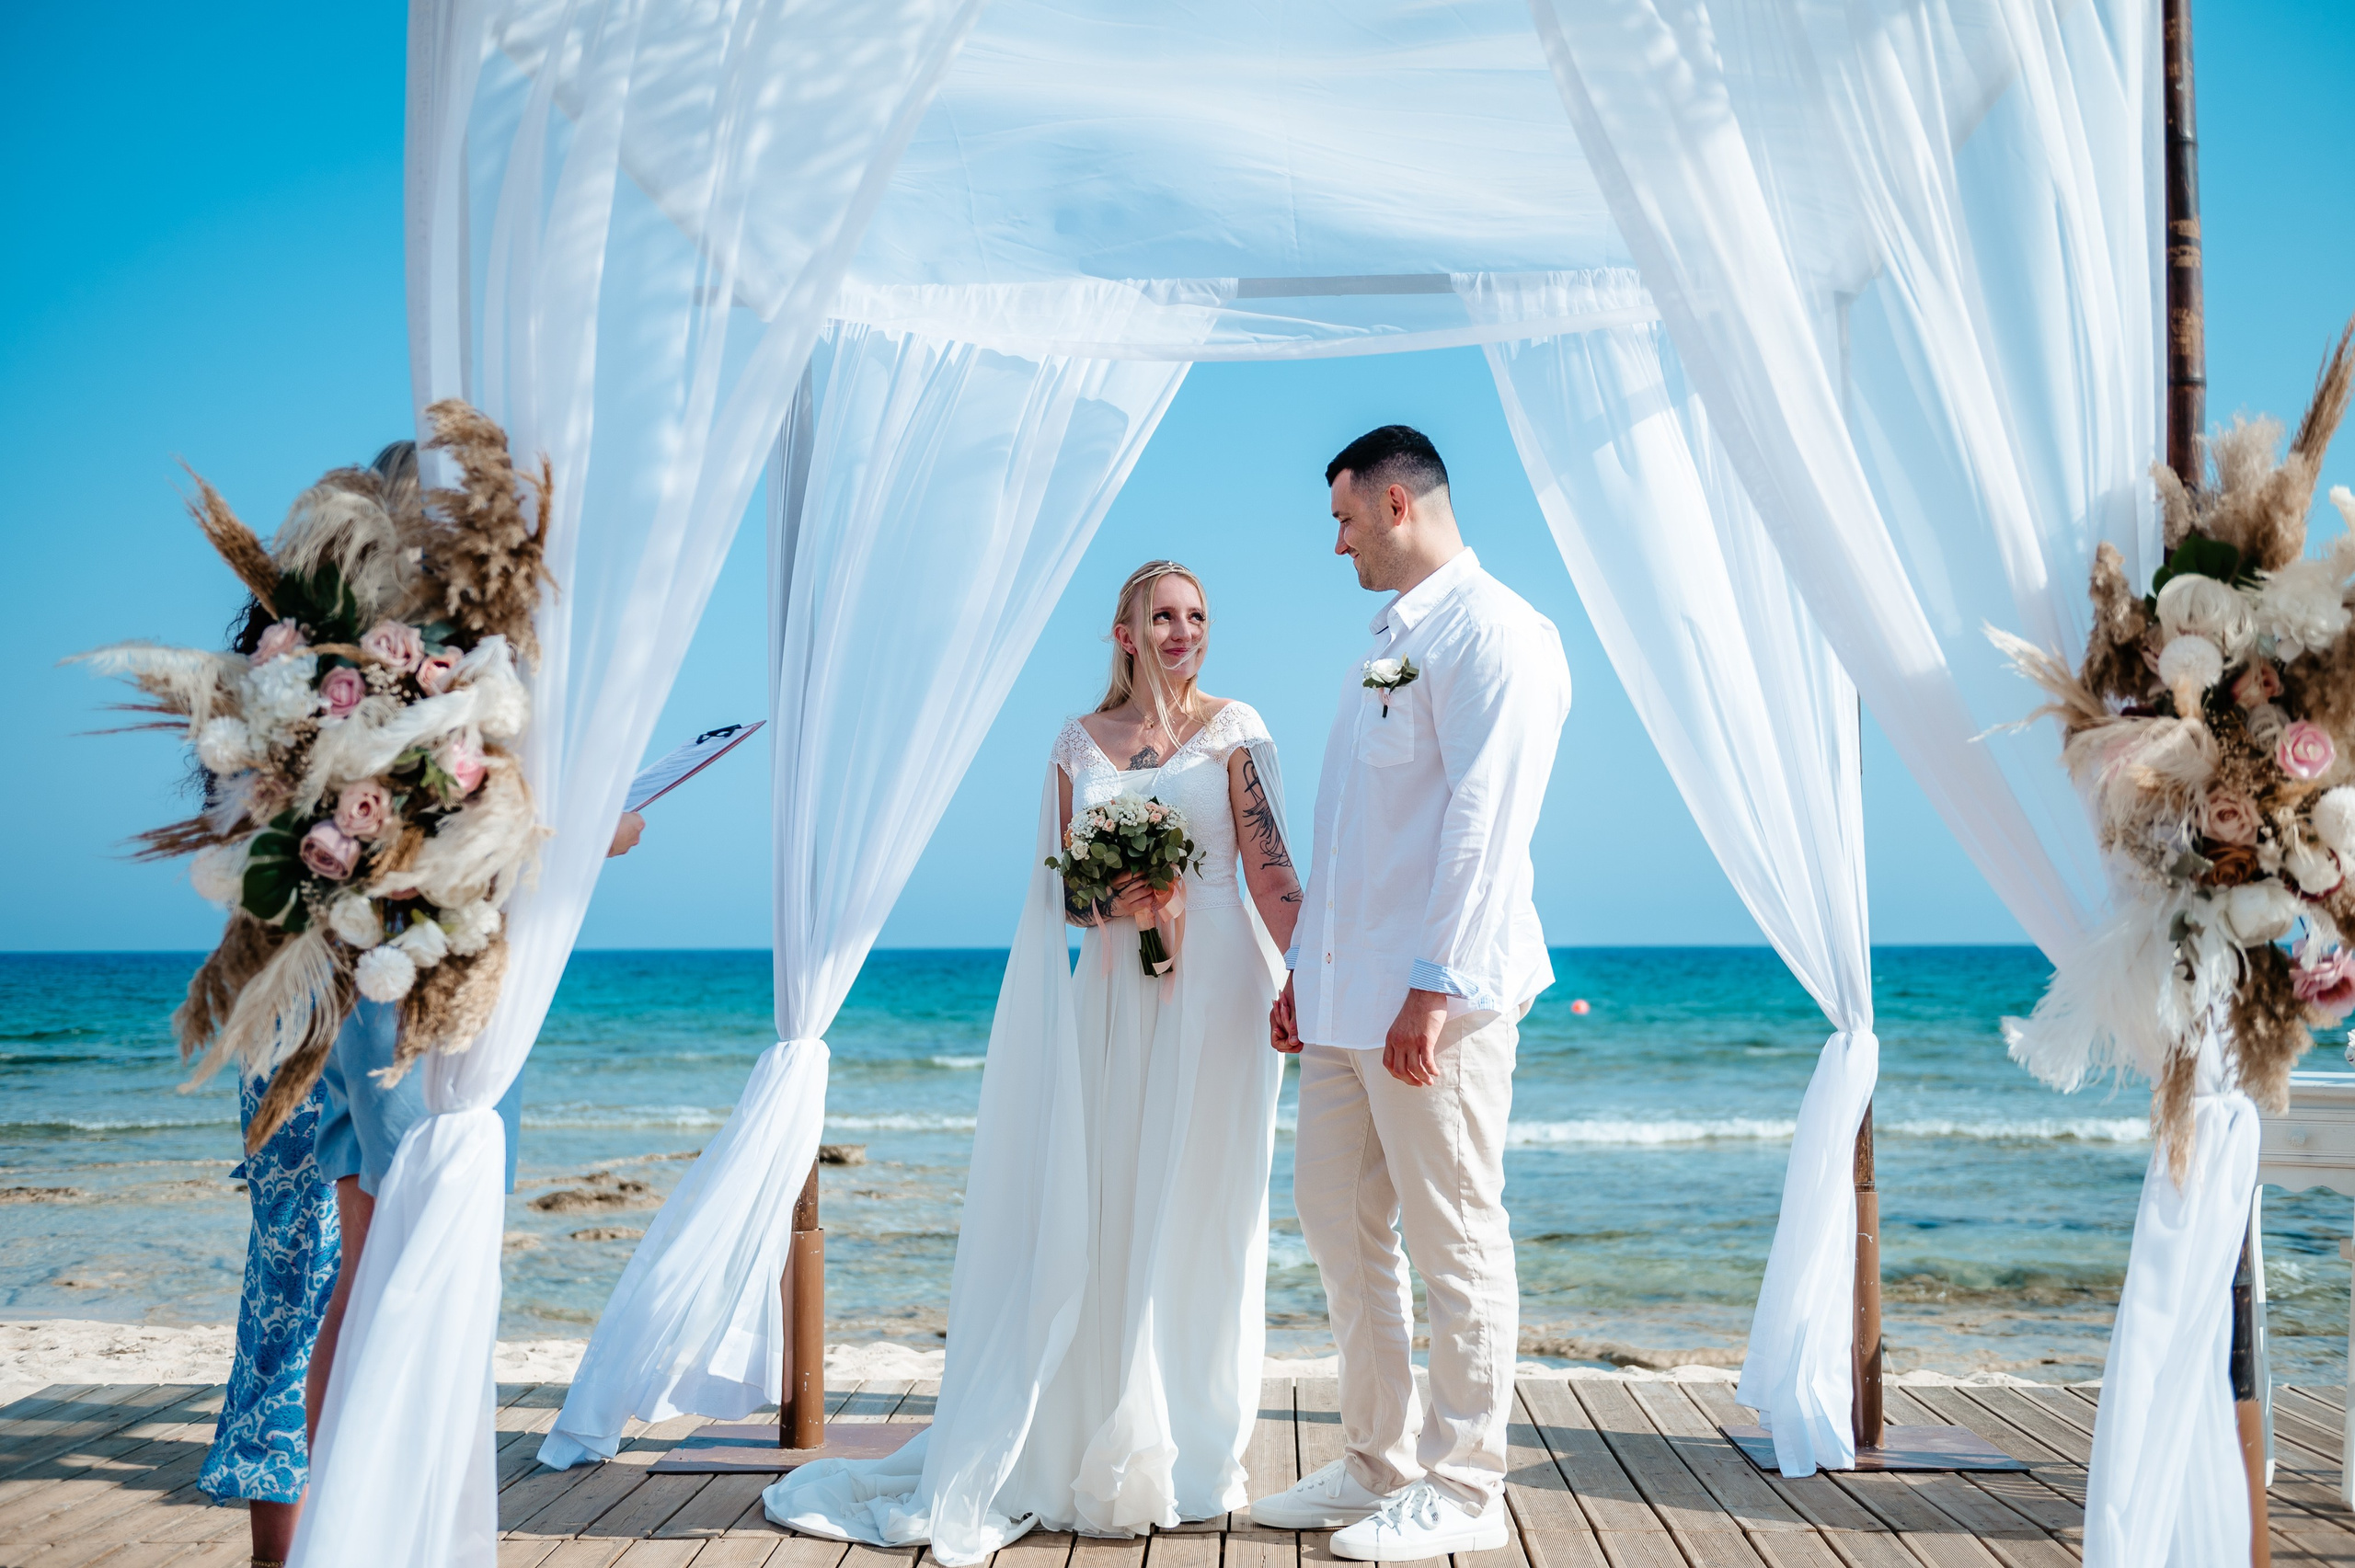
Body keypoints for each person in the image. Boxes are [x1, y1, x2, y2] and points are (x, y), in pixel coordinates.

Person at [765, 561, 1303, 1564]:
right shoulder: (1074, 743)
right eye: (1163, 615)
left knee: (1204, 1207)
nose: (1183, 630)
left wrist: (1305, 973)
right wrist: (1121, 901)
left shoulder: (1239, 730)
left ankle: (1188, 1441)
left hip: (1220, 990)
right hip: (1114, 992)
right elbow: (1058, 893)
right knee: (1105, 1196)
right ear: (1125, 630)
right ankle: (1087, 1422)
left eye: (1196, 615)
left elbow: (1271, 868)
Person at [1250, 427, 1570, 1561]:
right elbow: (1357, 833)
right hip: (1344, 1004)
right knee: (1337, 1223)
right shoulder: (1385, 645)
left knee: (1454, 1236)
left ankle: (1467, 1485)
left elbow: (1485, 826)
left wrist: (1429, 991)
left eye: (1342, 519)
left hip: (1436, 1005)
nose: (1334, 544)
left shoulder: (1499, 634)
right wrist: (1302, 972)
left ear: (1395, 504)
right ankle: (1376, 1460)